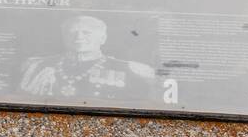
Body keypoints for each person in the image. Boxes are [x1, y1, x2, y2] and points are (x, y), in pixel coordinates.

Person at [19, 14, 155, 101]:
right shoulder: (37, 66)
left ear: (102, 38)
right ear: (64, 37)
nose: (78, 37)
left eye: (86, 33)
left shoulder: (130, 69)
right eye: (72, 32)